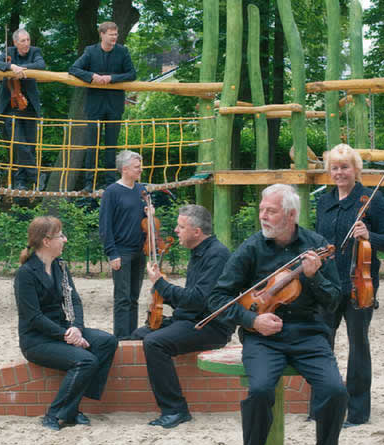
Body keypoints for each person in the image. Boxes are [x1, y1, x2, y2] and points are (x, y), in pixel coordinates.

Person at [208, 184, 349, 445]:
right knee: (259, 391)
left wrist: (314, 277)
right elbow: (218, 298)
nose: (263, 216)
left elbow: (334, 300)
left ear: (291, 214)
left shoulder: (315, 245)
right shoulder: (252, 247)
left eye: (270, 211)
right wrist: (252, 320)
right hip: (263, 338)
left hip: (308, 334)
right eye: (262, 210)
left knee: (336, 391)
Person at [315, 143, 384, 428]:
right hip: (327, 284)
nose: (339, 173)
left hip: (359, 285)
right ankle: (323, 402)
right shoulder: (324, 202)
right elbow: (318, 241)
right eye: (335, 168)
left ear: (356, 169)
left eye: (344, 167)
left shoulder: (371, 199)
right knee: (322, 344)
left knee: (357, 345)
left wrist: (368, 234)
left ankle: (358, 411)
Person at [130, 205, 232, 429]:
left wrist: (161, 285)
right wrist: (162, 295)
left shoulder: (218, 255)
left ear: (196, 232)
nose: (176, 230)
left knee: (155, 343)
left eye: (181, 226)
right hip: (191, 319)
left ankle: (175, 410)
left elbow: (198, 300)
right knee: (136, 335)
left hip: (211, 327)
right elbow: (190, 299)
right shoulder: (199, 252)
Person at [15, 216, 118, 430]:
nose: (65, 239)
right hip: (37, 339)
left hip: (64, 330)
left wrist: (77, 328)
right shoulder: (25, 274)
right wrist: (67, 336)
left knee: (107, 342)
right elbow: (33, 317)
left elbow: (75, 301)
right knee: (86, 361)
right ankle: (54, 415)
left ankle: (72, 407)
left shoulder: (60, 266)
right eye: (61, 235)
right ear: (46, 241)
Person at [69, 21, 136, 192]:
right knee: (93, 145)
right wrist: (92, 76)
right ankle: (89, 184)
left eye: (116, 34)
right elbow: (74, 69)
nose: (115, 37)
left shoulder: (122, 51)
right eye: (111, 34)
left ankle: (110, 183)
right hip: (94, 105)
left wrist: (111, 78)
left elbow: (132, 74)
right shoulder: (90, 51)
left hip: (114, 105)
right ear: (102, 35)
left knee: (111, 145)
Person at [0, 28, 46, 191]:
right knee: (19, 142)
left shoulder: (35, 52)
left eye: (28, 40)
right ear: (15, 43)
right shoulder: (8, 52)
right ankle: (36, 175)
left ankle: (21, 181)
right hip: (11, 107)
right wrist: (11, 66)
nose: (26, 44)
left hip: (30, 107)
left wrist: (21, 68)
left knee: (30, 145)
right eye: (22, 41)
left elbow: (41, 65)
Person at [99, 150, 147, 339]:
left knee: (134, 298)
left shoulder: (141, 190)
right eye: (137, 167)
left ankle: (132, 336)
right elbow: (105, 225)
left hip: (140, 250)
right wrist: (112, 253)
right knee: (122, 298)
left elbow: (143, 221)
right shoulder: (112, 192)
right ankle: (120, 338)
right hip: (121, 251)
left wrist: (149, 213)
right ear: (125, 169)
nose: (140, 170)